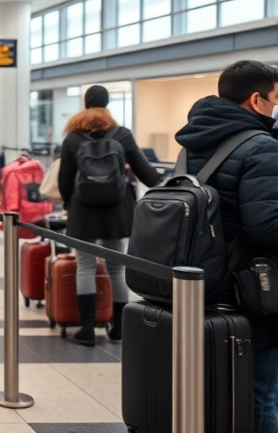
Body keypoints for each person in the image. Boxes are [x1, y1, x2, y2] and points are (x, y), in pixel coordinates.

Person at [174, 61, 278, 432]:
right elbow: (266, 227)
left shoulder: (192, 143)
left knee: (212, 386)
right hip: (250, 290)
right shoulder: (261, 146)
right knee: (261, 392)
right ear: (256, 99)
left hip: (200, 284)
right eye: (275, 99)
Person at [57, 85, 160, 346]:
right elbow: (147, 174)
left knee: (86, 266)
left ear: (85, 103)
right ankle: (119, 328)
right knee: (116, 267)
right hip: (117, 211)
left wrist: (69, 204)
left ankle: (88, 329)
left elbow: (64, 181)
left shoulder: (72, 138)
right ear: (107, 104)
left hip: (83, 211)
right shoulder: (122, 135)